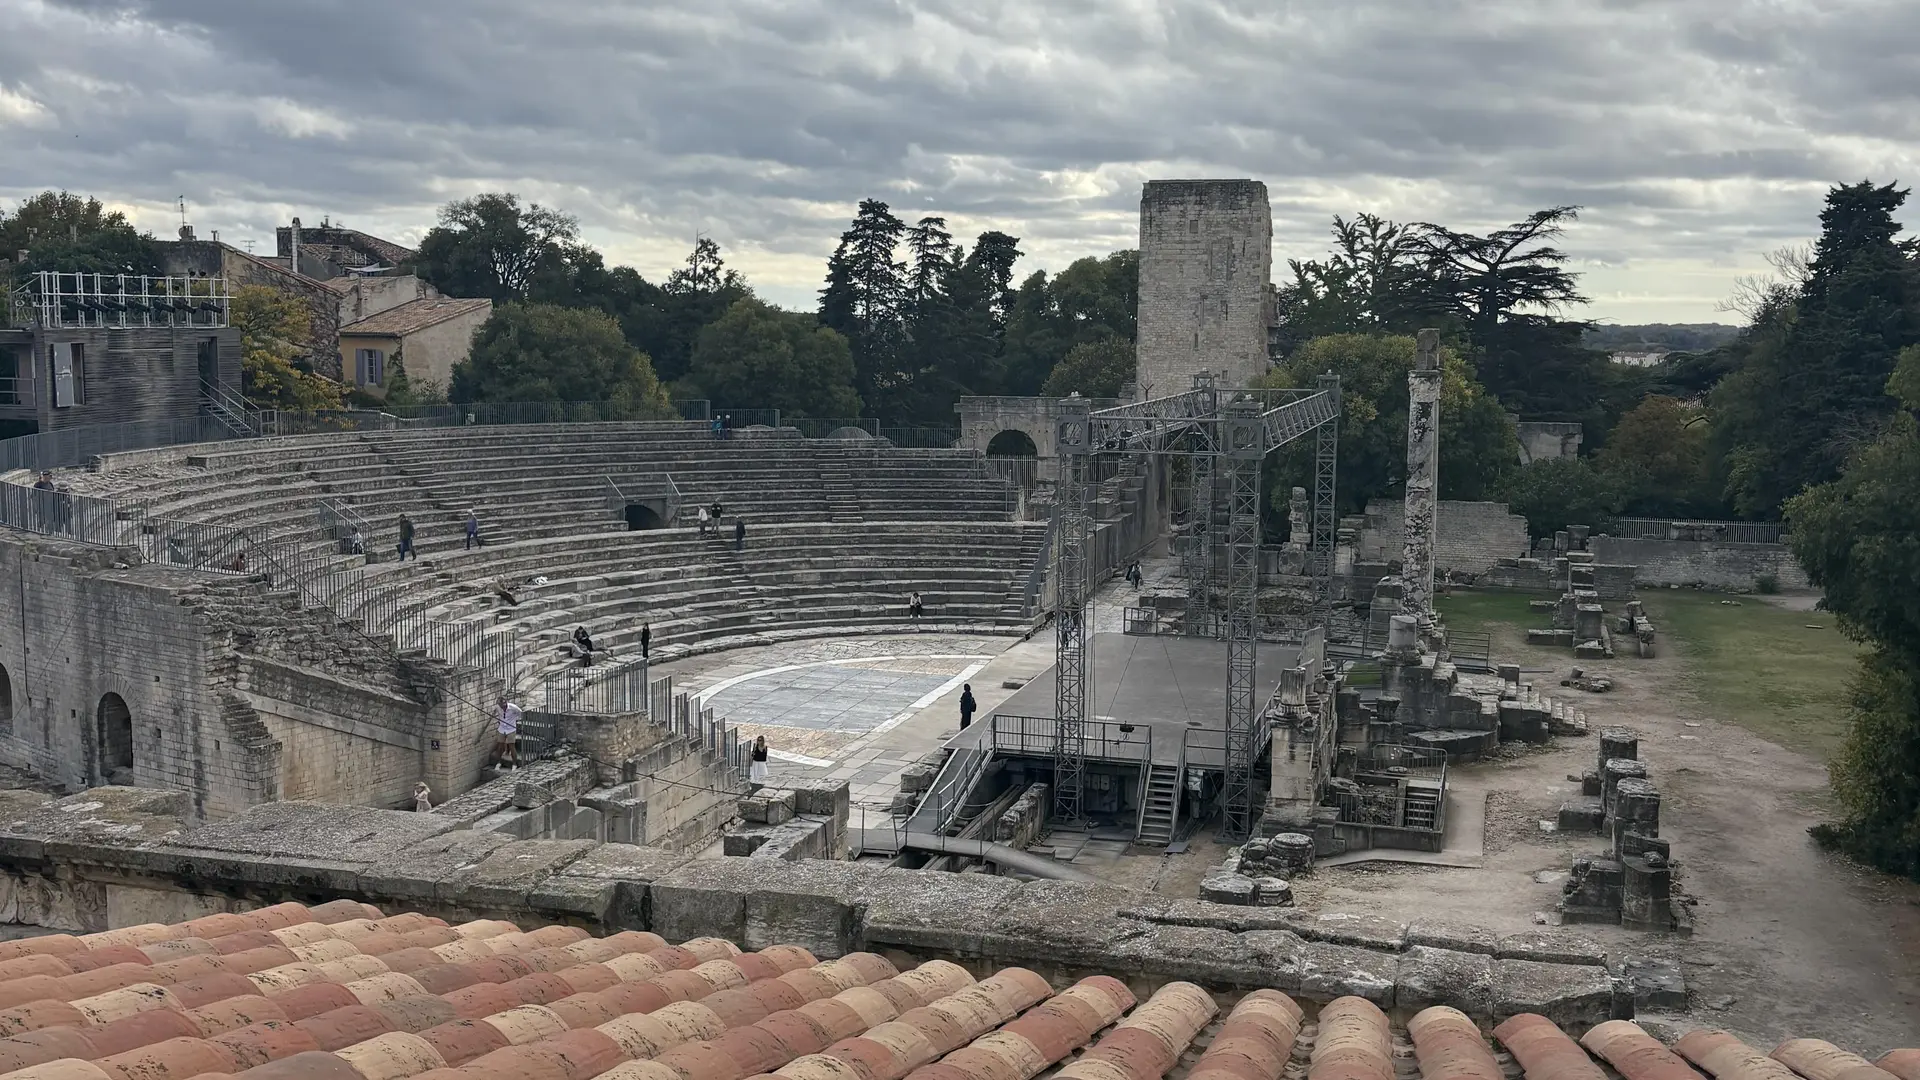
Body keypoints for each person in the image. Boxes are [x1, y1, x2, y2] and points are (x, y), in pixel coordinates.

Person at [493, 697, 522, 770]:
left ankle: (514, 764)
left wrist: (515, 720)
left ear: (506, 702)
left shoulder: (513, 707)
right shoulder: (497, 707)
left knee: (512, 746)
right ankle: (499, 762)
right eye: (501, 705)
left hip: (511, 729)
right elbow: (495, 712)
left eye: (504, 705)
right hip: (502, 728)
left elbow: (520, 713)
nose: (503, 707)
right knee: (500, 746)